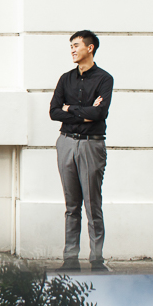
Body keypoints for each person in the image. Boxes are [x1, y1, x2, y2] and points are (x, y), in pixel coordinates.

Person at [49, 30, 112, 272]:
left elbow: (99, 114)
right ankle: (70, 260)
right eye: (71, 47)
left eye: (76, 45)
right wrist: (83, 111)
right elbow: (54, 112)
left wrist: (71, 108)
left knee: (92, 204)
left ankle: (97, 260)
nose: (73, 50)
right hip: (66, 143)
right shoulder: (66, 79)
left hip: (91, 145)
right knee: (71, 206)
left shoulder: (105, 80)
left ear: (90, 47)